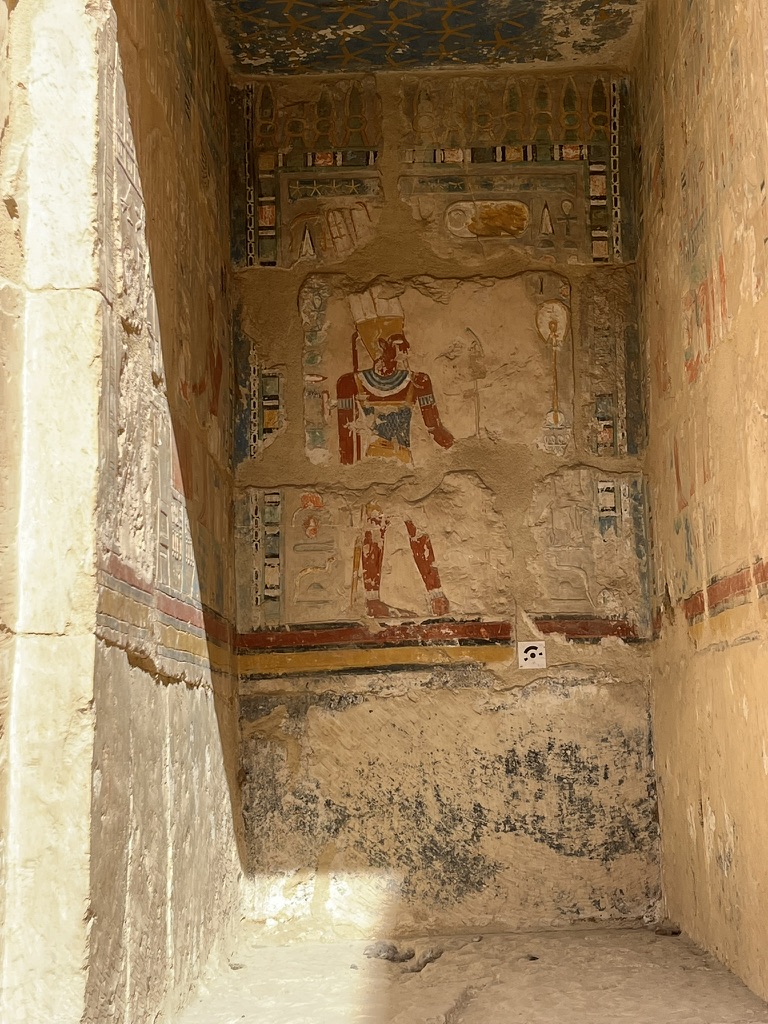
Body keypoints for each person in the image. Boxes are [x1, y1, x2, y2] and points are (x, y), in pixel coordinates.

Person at [336, 296, 454, 618]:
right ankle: (373, 598)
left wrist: (462, 454)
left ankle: (435, 594)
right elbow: (346, 442)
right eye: (400, 343)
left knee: (418, 527)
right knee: (375, 530)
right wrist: (348, 483)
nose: (407, 349)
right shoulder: (350, 383)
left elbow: (436, 430)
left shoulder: (418, 381)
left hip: (404, 464)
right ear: (382, 346)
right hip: (375, 465)